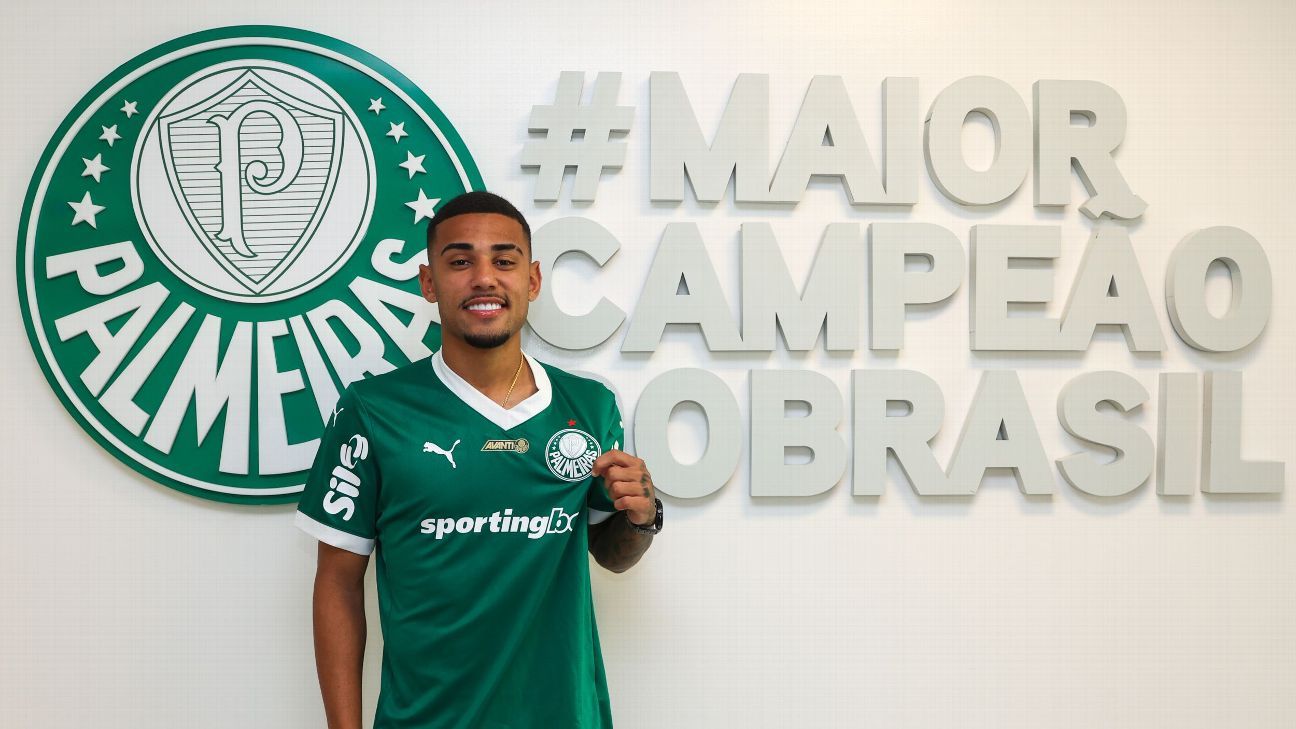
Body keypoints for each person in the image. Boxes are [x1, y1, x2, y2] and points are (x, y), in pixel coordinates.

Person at [295, 191, 661, 729]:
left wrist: (643, 516)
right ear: (429, 282)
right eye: (460, 261)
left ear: (532, 280)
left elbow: (611, 555)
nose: (484, 278)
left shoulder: (590, 406)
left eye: (504, 261)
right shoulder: (372, 411)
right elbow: (337, 583)